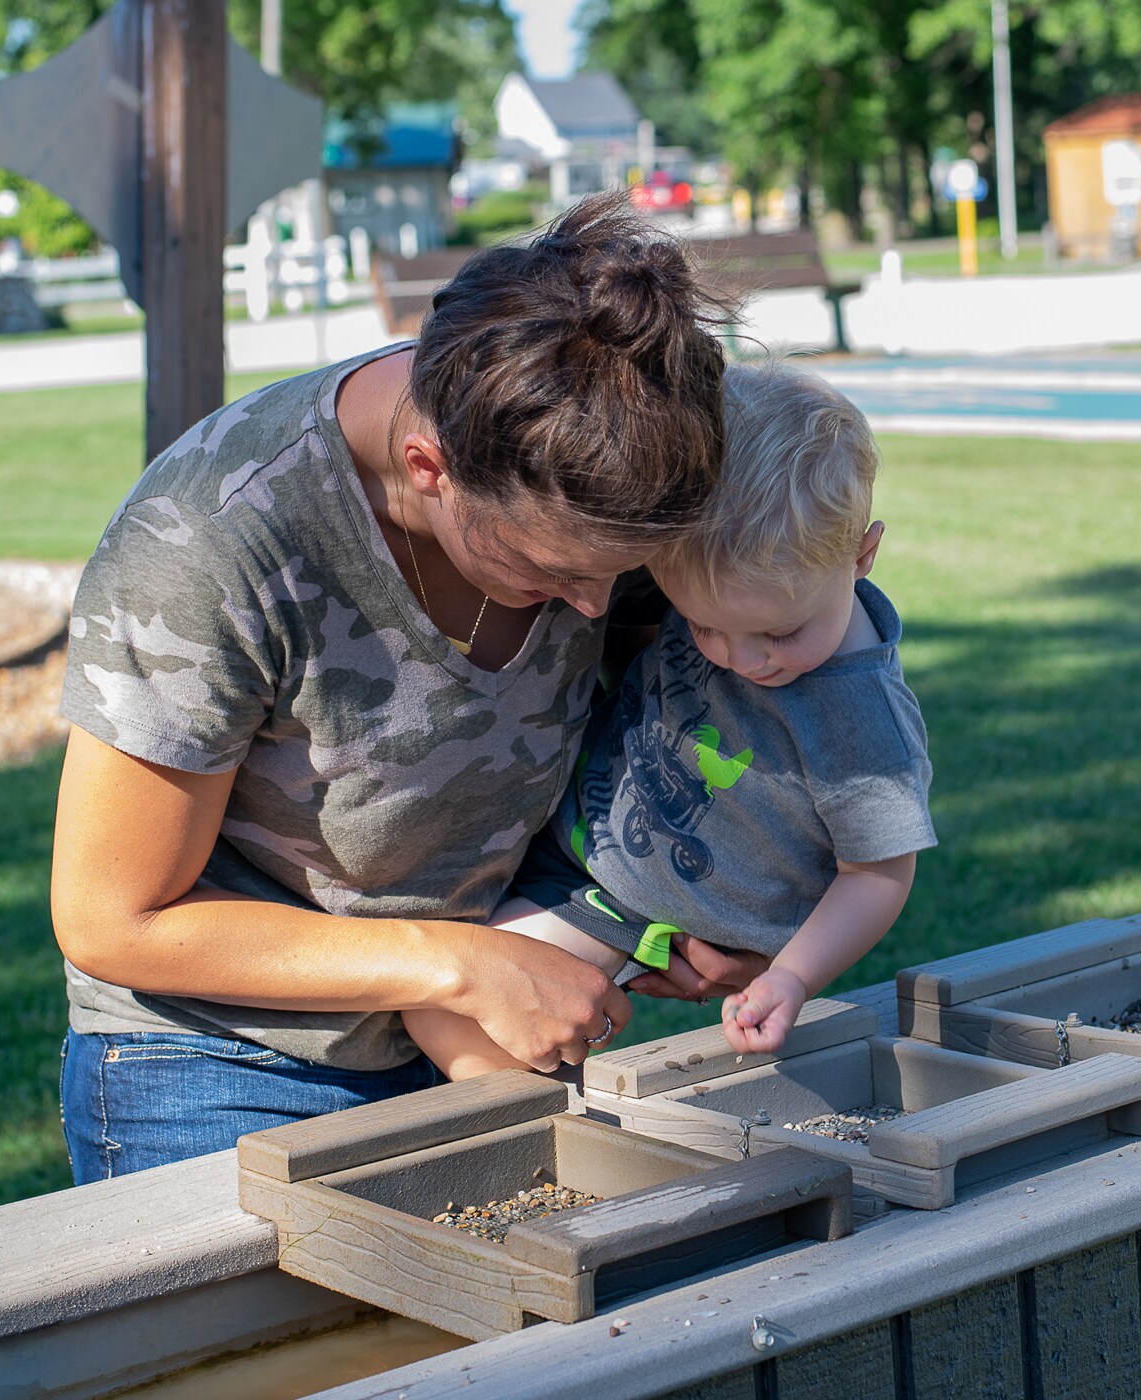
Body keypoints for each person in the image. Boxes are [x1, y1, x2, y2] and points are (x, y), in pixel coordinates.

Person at [50, 195, 764, 1183]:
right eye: (548, 570)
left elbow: (735, 698)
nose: (595, 608)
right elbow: (111, 917)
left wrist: (728, 908)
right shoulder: (210, 543)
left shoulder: (614, 453)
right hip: (226, 1059)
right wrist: (461, 964)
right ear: (428, 466)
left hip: (487, 1018)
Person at [406, 363, 935, 1076]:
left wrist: (792, 976)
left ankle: (559, 1155)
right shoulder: (719, 578)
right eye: (706, 629)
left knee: (451, 1011)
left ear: (862, 555)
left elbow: (876, 876)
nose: (746, 660)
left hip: (631, 902)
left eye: (779, 634)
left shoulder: (861, 724)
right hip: (578, 839)